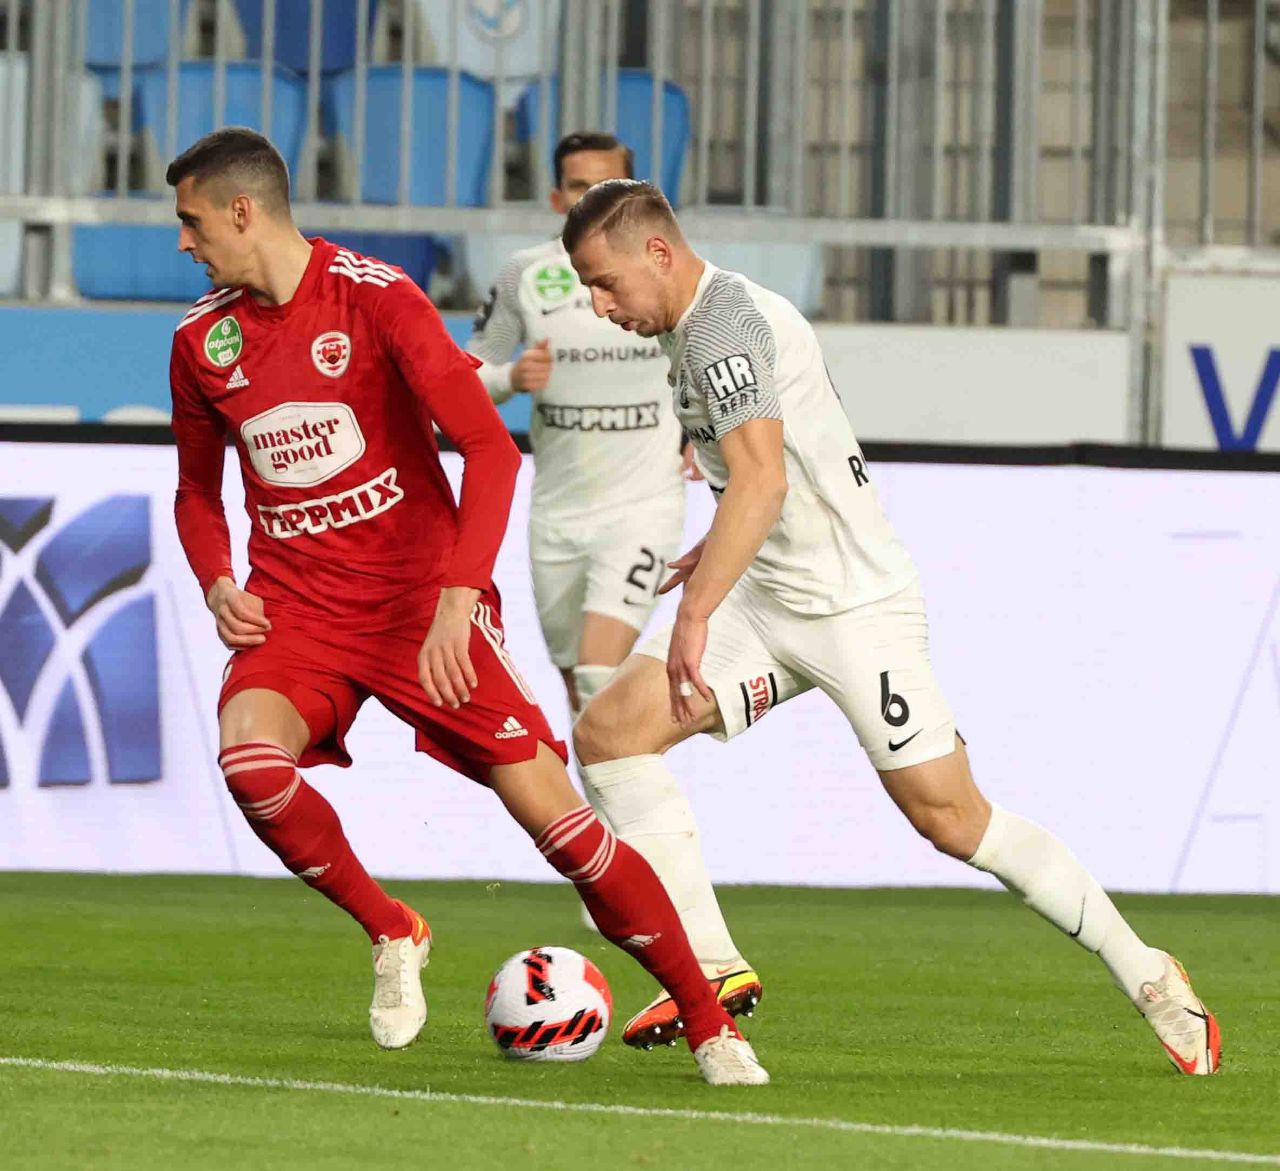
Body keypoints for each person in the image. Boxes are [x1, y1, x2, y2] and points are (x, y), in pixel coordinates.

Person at [562, 178, 1222, 1076]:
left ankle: (1149, 974)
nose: (600, 307)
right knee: (610, 734)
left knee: (953, 819)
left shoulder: (719, 329)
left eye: (605, 283)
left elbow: (764, 480)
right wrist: (717, 553)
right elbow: (772, 475)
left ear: (658, 253)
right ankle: (709, 966)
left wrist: (695, 609)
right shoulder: (699, 326)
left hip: (854, 609)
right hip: (768, 599)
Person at [165, 128, 767, 1086]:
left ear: (244, 211)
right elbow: (198, 490)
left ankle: (709, 1020)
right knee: (248, 762)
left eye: (193, 222)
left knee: (565, 831)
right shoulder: (202, 341)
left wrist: (457, 600)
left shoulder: (377, 299)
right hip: (298, 613)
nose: (184, 242)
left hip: (421, 607)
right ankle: (392, 928)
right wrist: (216, 578)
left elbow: (489, 449)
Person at [468, 132, 760, 1022]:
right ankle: (609, 862)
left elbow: (719, 372)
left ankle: (640, 885)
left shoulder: (668, 281)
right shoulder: (527, 277)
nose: (589, 195)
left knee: (602, 673)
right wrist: (509, 375)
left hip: (643, 509)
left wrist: (702, 435)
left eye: (609, 183)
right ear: (557, 199)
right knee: (580, 699)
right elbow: (465, 376)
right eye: (577, 185)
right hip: (556, 512)